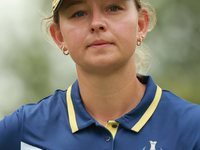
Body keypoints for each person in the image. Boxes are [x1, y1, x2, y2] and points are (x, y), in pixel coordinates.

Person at [0, 0, 200, 149]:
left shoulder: (193, 128)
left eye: (113, 8)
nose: (97, 23)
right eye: (79, 13)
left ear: (141, 25)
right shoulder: (22, 130)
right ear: (59, 36)